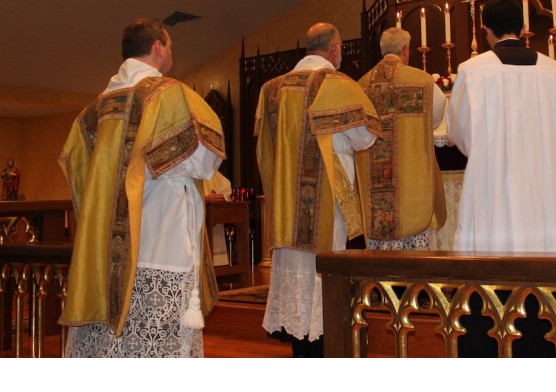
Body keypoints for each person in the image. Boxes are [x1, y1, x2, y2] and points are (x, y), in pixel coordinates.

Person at [58, 18, 225, 357]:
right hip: (162, 235)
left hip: (106, 245)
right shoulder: (169, 94)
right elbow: (207, 158)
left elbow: (78, 168)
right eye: (171, 45)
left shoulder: (94, 109)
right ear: (157, 47)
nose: (171, 52)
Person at [446, 0, 556, 357]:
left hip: (493, 190)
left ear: (486, 31)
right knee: (551, 275)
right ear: (523, 28)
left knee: (491, 270)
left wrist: (490, 152)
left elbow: (460, 131)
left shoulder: (473, 70)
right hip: (547, 191)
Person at [256, 22, 380, 357]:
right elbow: (364, 137)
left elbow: (264, 149)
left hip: (287, 209)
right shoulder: (337, 84)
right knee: (329, 290)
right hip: (329, 208)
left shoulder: (271, 89)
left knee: (300, 295)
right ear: (336, 48)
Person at [356, 27, 447, 250]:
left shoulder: (360, 86)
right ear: (406, 49)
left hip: (375, 184)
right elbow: (434, 120)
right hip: (412, 180)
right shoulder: (424, 82)